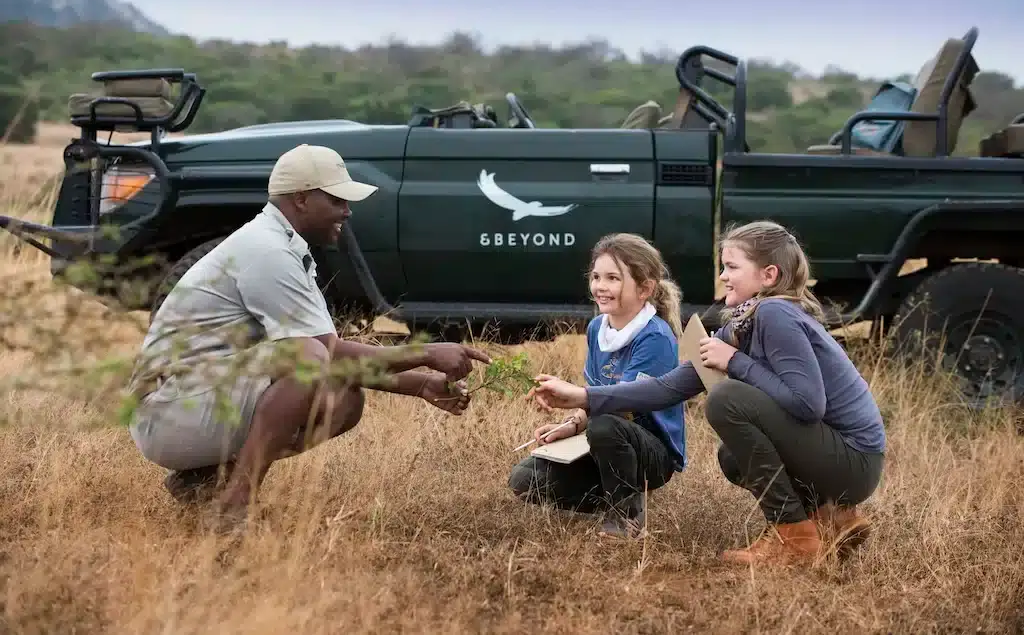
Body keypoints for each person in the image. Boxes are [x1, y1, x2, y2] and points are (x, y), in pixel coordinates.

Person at [125, 143, 491, 531]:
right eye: (336, 200)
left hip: (189, 403)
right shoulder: (267, 252)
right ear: (300, 199)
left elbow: (334, 357)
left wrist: (419, 385)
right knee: (309, 360)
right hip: (167, 412)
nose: (346, 211)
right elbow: (325, 354)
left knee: (343, 398)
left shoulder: (279, 244)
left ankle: (204, 481)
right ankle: (234, 504)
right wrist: (426, 353)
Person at [527, 220, 886, 565]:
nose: (722, 277)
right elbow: (668, 387)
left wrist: (735, 363)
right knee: (732, 457)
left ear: (768, 276)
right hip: (837, 460)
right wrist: (582, 397)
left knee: (726, 400)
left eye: (731, 267)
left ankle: (793, 537)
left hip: (855, 462)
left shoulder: (775, 313)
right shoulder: (744, 322)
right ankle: (829, 516)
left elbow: (808, 405)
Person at [509, 233, 687, 539]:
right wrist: (571, 425)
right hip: (603, 439)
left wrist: (578, 398)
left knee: (607, 424)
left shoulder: (654, 336)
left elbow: (626, 404)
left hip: (651, 453)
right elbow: (595, 391)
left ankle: (626, 516)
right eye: (596, 277)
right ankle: (617, 492)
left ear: (645, 288)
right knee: (524, 478)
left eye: (613, 278)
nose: (600, 286)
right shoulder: (596, 329)